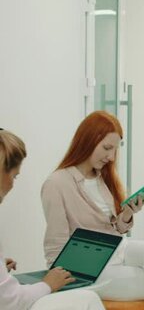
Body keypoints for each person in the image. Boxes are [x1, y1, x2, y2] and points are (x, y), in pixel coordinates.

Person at [41, 111, 144, 310]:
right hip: (87, 269)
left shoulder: (102, 178)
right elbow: (55, 249)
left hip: (118, 251)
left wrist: (127, 214)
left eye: (115, 150)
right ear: (87, 141)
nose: (111, 156)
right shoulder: (57, 183)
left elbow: (115, 228)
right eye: (107, 148)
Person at [0, 128, 105, 310]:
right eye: (14, 176)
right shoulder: (55, 183)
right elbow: (9, 301)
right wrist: (47, 284)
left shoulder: (105, 181)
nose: (110, 156)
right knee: (88, 299)